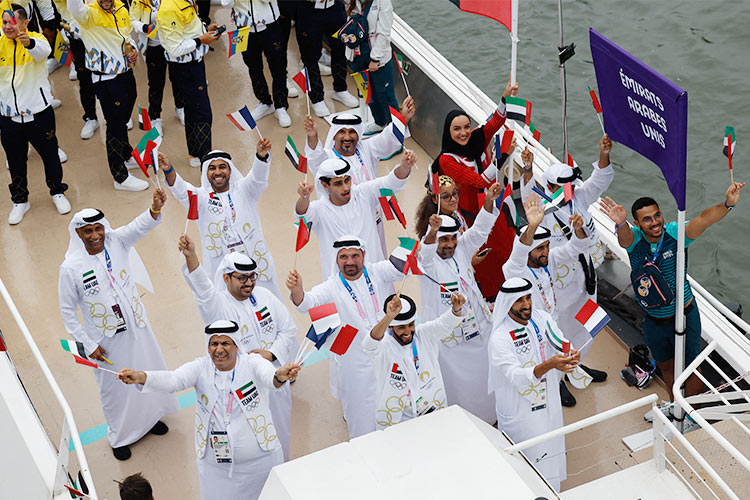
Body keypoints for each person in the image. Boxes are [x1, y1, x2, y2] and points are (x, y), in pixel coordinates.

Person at [117, 320, 301, 500]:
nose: (219, 349)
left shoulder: (252, 363)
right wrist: (141, 377)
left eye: (225, 343)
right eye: (214, 343)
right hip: (217, 468)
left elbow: (270, 377)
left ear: (236, 345)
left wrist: (280, 376)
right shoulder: (200, 367)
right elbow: (174, 380)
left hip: (260, 463)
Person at [600, 181, 745, 405]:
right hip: (653, 321)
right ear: (637, 223)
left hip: (684, 314)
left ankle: (691, 413)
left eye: (657, 216)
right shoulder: (635, 239)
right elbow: (624, 238)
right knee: (666, 366)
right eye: (647, 219)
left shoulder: (676, 234)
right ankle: (675, 406)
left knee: (691, 366)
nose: (655, 222)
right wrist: (621, 224)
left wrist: (728, 204)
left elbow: (704, 219)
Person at [58, 193, 179, 460]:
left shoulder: (117, 242)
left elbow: (139, 225)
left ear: (105, 227)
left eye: (98, 228)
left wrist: (155, 208)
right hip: (106, 342)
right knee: (116, 388)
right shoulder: (70, 268)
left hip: (138, 327)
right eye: (87, 231)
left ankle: (149, 420)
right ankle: (121, 436)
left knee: (148, 372)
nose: (94, 235)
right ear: (78, 234)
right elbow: (67, 312)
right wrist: (88, 346)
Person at [178, 235, 298, 460]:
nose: (250, 283)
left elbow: (288, 330)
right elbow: (202, 285)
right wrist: (192, 255)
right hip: (244, 388)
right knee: (251, 439)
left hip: (274, 376)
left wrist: (270, 353)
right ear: (226, 278)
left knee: (281, 431)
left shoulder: (265, 296)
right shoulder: (217, 305)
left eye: (252, 276)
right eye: (242, 278)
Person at [286, 235, 404, 438]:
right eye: (344, 257)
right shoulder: (331, 287)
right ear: (337, 259)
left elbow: (401, 269)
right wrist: (297, 290)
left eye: (355, 256)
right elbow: (306, 304)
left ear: (363, 255)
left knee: (396, 412)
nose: (350, 261)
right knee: (362, 421)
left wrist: (415, 245)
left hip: (388, 357)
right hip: (356, 366)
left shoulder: (376, 271)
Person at [503, 196, 601, 407]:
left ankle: (571, 373)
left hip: (554, 320)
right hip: (532, 330)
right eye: (540, 248)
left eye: (547, 246)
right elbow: (518, 254)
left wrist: (578, 229)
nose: (546, 252)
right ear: (528, 250)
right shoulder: (515, 270)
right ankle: (558, 386)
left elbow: (579, 245)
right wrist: (532, 226)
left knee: (574, 342)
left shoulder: (551, 259)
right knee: (544, 364)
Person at [417, 183, 503, 423]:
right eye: (444, 240)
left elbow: (479, 231)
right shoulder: (427, 263)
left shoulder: (462, 248)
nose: (450, 245)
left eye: (452, 238)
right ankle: (466, 424)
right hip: (451, 343)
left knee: (485, 381)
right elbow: (424, 254)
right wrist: (432, 233)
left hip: (480, 331)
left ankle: (491, 418)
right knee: (460, 390)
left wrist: (488, 200)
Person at [431, 79, 520, 300]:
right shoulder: (446, 160)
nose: (463, 133)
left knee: (506, 245)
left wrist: (505, 98)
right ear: (448, 131)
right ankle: (489, 296)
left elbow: (495, 122)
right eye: (457, 129)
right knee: (484, 256)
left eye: (466, 127)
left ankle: (511, 286)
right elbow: (479, 180)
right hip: (472, 215)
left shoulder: (478, 138)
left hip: (493, 205)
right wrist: (502, 156)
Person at [489, 277, 581, 491]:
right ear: (507, 303)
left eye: (528, 297)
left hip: (548, 401)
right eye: (519, 300)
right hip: (521, 411)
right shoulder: (500, 338)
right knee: (528, 461)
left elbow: (559, 340)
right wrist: (549, 365)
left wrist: (570, 353)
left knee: (551, 448)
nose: (527, 304)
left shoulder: (541, 318)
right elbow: (515, 376)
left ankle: (552, 490)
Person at [159, 139, 282, 298]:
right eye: (212, 168)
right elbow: (181, 190)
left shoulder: (245, 189)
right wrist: (169, 170)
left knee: (267, 303)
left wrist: (261, 156)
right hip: (223, 267)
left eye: (222, 167)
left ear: (230, 170)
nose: (217, 172)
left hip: (253, 259)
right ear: (206, 172)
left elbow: (258, 177)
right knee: (228, 310)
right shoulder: (201, 199)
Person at [67, 0, 149, 191]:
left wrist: (134, 50)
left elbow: (126, 35)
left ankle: (127, 156)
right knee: (115, 125)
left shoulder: (121, 6)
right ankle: (120, 176)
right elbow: (74, 7)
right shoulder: (87, 14)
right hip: (106, 80)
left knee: (122, 119)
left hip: (126, 73)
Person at [295, 151, 415, 279]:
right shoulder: (319, 209)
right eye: (338, 183)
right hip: (341, 285)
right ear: (324, 185)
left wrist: (405, 166)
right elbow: (302, 215)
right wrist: (304, 197)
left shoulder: (363, 193)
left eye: (347, 180)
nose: (346, 187)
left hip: (375, 277)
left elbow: (390, 183)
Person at [1, 4, 70, 225]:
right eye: (4, 22)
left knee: (50, 156)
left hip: (39, 115)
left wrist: (27, 42)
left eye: (12, 22)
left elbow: (42, 51)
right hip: (9, 118)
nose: (7, 26)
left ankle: (57, 192)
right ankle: (20, 200)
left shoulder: (37, 40)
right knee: (16, 160)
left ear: (25, 22)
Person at [365, 292, 466, 428]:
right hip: (399, 418)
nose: (408, 331)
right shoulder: (383, 348)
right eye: (401, 327)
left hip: (431, 408)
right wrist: (389, 317)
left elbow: (444, 324)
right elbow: (369, 344)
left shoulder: (423, 334)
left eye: (411, 325)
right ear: (390, 326)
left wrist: (456, 309)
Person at [157, 0, 220, 167]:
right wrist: (201, 40)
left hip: (194, 64)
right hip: (185, 68)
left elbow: (184, 32)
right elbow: (175, 48)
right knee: (203, 114)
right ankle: (208, 162)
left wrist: (205, 32)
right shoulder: (168, 9)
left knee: (193, 112)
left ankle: (195, 155)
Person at [303, 96, 415, 184]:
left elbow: (388, 137)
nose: (347, 137)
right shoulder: (328, 158)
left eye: (352, 132)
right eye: (342, 132)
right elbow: (315, 157)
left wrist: (404, 117)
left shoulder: (367, 148)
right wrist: (312, 136)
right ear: (334, 136)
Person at [221, 0, 291, 128]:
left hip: (270, 25)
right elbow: (226, 3)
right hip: (243, 28)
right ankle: (264, 102)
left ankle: (281, 105)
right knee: (253, 67)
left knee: (278, 66)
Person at [294, 0, 358, 117]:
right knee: (310, 56)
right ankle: (317, 98)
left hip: (335, 7)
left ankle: (340, 89)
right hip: (309, 10)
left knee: (340, 50)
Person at [130, 0, 184, 135]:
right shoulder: (139, 1)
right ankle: (155, 118)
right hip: (154, 47)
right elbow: (133, 20)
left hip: (173, 44)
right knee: (156, 83)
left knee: (177, 77)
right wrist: (145, 28)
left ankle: (181, 108)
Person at [48, 0, 101, 139]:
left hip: (100, 32)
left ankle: (117, 114)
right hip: (77, 37)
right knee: (85, 79)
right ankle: (91, 118)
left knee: (107, 75)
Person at [344, 0, 397, 135]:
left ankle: (395, 135)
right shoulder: (352, 2)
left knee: (385, 96)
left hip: (377, 58)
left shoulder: (383, 3)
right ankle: (380, 122)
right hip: (357, 56)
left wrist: (375, 59)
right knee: (368, 93)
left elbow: (384, 33)